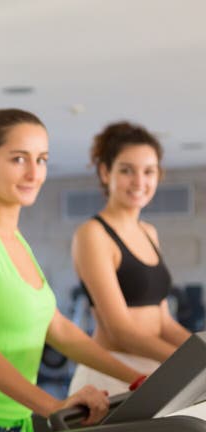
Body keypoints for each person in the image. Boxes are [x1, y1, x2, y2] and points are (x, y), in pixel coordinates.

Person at [0, 109, 144, 432]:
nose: (34, 173)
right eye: (18, 159)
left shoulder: (15, 239)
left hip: (16, 423)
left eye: (41, 160)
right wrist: (53, 406)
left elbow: (56, 328)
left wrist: (136, 379)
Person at [69, 121, 191, 394]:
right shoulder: (93, 234)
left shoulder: (149, 232)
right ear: (105, 172)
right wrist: (187, 365)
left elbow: (164, 322)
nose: (139, 182)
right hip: (111, 373)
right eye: (126, 170)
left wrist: (199, 353)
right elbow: (119, 330)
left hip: (153, 369)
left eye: (149, 171)